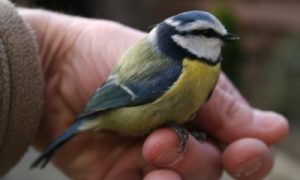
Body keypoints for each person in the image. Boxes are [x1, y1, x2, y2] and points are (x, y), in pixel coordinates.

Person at [0, 1, 289, 179]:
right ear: (181, 39)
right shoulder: (174, 69)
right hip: (113, 111)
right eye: (207, 35)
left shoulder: (204, 70)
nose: (219, 39)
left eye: (219, 34)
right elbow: (118, 96)